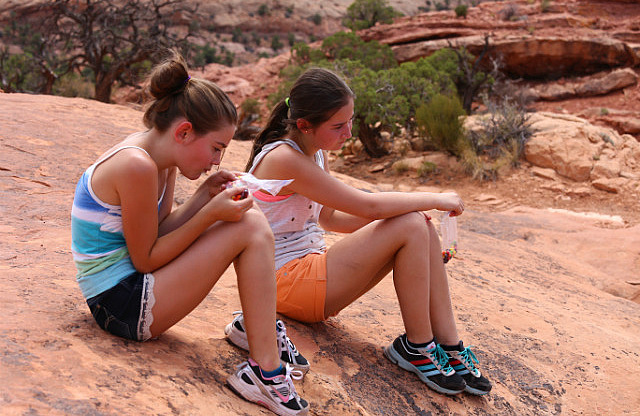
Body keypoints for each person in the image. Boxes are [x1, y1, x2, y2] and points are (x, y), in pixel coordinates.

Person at [224, 67, 492, 396]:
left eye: (351, 120)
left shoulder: (314, 150)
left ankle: (449, 345)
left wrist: (407, 213)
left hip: (307, 273)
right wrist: (434, 198)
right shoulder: (284, 158)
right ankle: (418, 347)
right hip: (283, 282)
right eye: (338, 125)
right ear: (305, 125)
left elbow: (332, 219)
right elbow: (368, 207)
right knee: (411, 221)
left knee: (416, 223)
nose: (349, 133)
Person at [70, 50, 308, 415]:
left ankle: (260, 347)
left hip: (128, 289)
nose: (217, 160)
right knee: (249, 225)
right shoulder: (137, 166)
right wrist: (209, 213)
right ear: (183, 132)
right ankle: (266, 370)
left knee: (246, 220)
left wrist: (202, 196)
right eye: (216, 148)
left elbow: (159, 231)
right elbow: (146, 258)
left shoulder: (157, 158)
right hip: (119, 305)